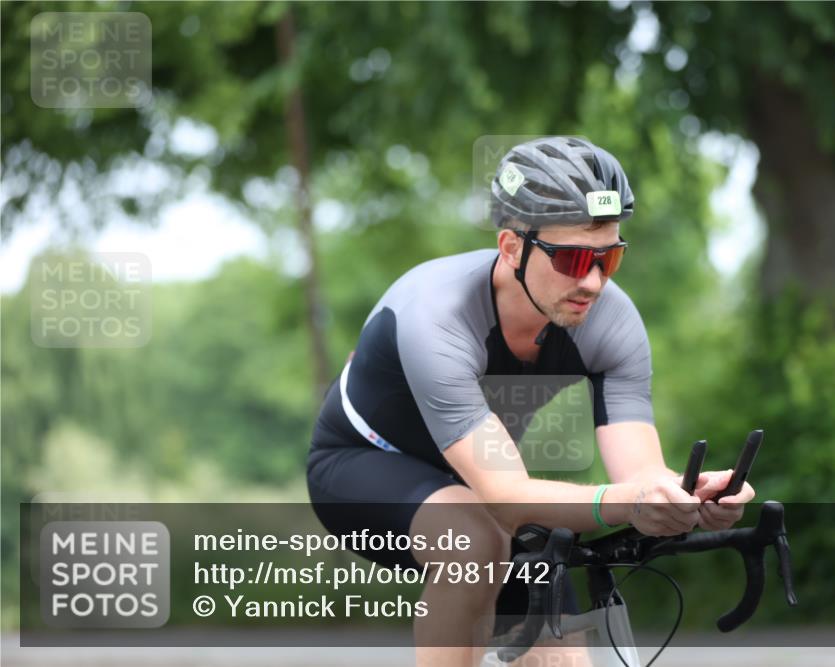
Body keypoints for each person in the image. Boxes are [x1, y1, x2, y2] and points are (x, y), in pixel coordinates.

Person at [306, 136, 755, 667]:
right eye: (571, 257)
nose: (591, 281)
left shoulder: (611, 320)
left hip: (477, 480)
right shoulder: (438, 315)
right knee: (472, 541)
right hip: (364, 462)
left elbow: (638, 476)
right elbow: (509, 498)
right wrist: (630, 500)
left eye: (608, 258)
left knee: (552, 602)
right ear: (512, 247)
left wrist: (681, 498)